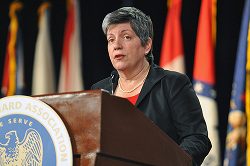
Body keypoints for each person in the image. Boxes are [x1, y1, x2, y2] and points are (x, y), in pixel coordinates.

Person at [91, 6, 211, 165]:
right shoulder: (99, 90)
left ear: (146, 45)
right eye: (111, 39)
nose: (116, 45)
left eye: (126, 37)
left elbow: (197, 138)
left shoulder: (172, 84)